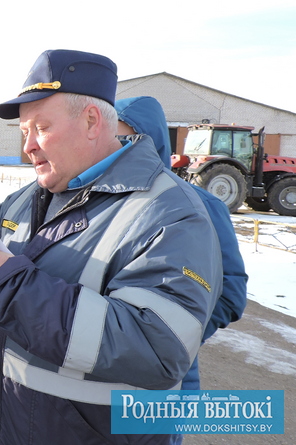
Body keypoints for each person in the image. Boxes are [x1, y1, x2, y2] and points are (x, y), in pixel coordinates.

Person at [0, 49, 222, 444]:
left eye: (41, 128)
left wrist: (14, 288)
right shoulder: (30, 197)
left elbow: (158, 348)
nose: (28, 146)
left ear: (92, 121)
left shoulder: (170, 214)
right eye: (24, 132)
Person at [116, 96, 248, 445]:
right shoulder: (104, 201)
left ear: (149, 140)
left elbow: (230, 293)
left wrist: (169, 336)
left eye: (122, 138)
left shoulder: (200, 205)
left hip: (161, 383)